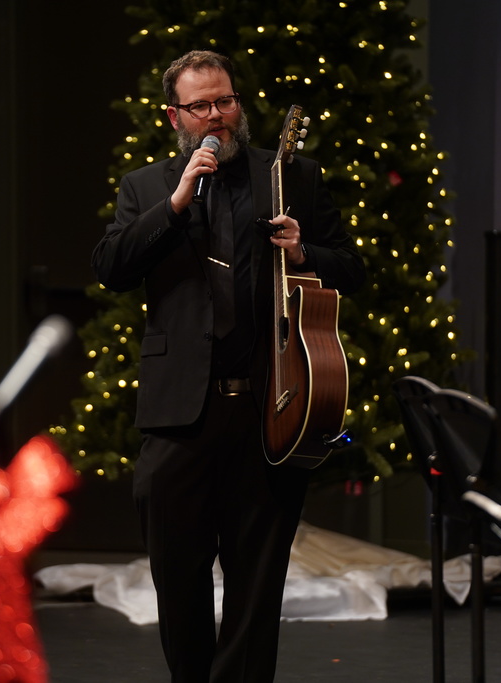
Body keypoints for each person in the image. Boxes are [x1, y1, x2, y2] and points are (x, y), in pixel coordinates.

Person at [91, 50, 366, 682]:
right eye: (202, 105)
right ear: (174, 116)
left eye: (226, 100)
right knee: (178, 580)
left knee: (257, 588)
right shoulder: (148, 186)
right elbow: (110, 268)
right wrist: (178, 204)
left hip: (269, 410)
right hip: (179, 416)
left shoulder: (290, 175)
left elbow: (353, 269)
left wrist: (307, 249)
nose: (217, 116)